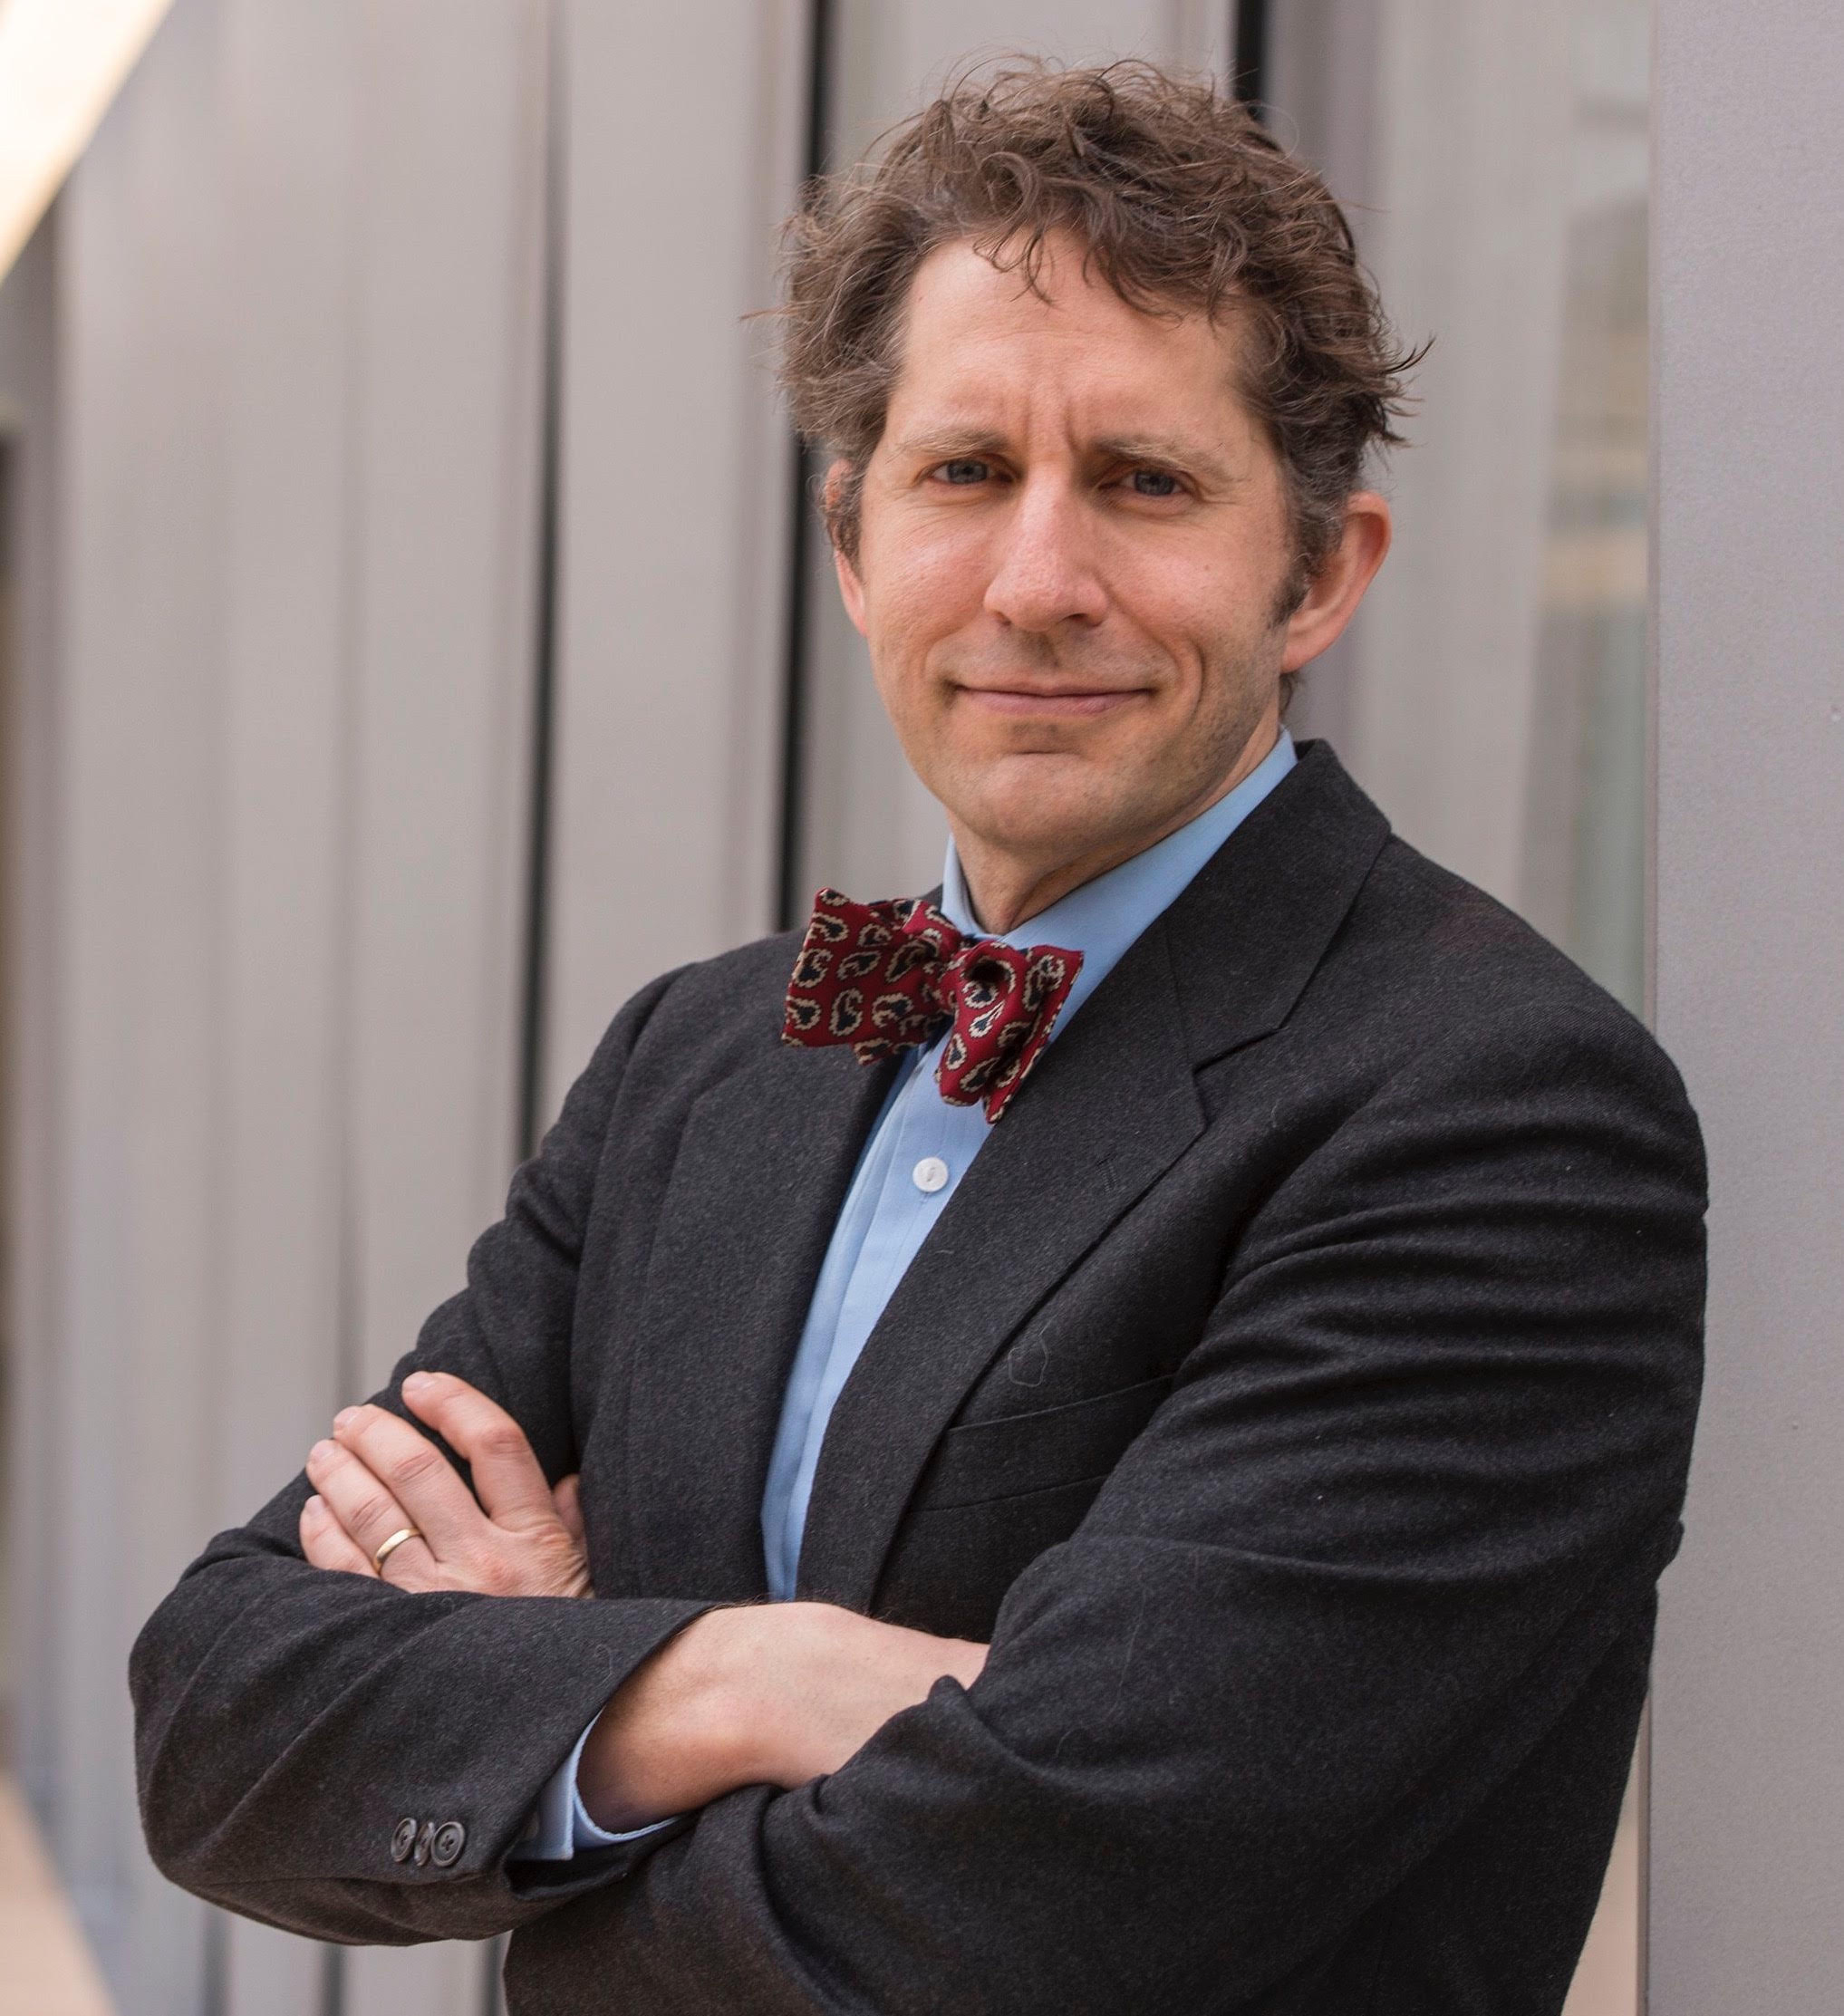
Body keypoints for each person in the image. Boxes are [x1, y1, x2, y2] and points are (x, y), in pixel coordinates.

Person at [131, 62, 1704, 2015]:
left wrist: (553, 1699)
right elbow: (220, 1721)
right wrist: (744, 1676)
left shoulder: (1502, 1111)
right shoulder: (700, 1061)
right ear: (855, 547)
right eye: (964, 473)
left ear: (1317, 575)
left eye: (1144, 481)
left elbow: (1069, 1901)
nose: (1038, 585)